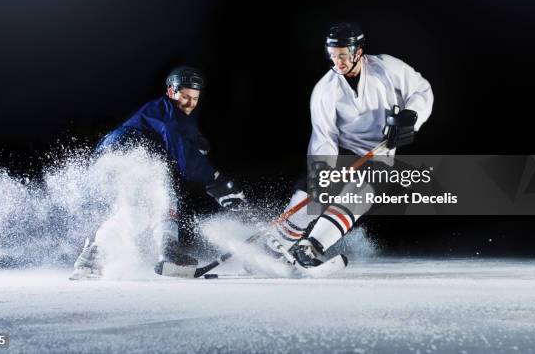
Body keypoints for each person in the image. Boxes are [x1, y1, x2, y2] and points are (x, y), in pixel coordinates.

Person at [271, 22, 434, 268]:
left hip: (378, 153)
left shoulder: (386, 67)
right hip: (342, 150)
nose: (338, 62)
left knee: (363, 190)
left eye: (344, 56)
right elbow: (324, 138)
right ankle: (276, 241)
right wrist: (323, 176)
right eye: (333, 56)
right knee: (314, 190)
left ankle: (310, 247)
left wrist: (410, 117)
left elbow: (422, 90)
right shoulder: (324, 91)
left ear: (358, 52)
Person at [71, 66, 245, 279]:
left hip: (111, 156)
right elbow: (182, 151)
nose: (190, 103)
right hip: (128, 152)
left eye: (195, 98)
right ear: (172, 92)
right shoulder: (169, 111)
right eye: (185, 96)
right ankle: (166, 253)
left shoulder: (164, 112)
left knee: (144, 207)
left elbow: (182, 139)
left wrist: (196, 141)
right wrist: (215, 180)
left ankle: (98, 254)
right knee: (157, 201)